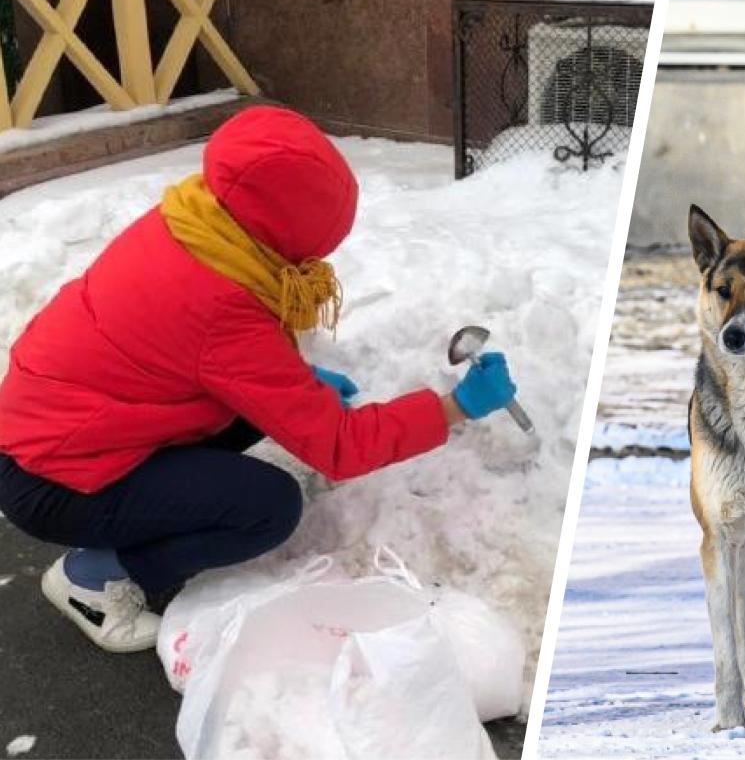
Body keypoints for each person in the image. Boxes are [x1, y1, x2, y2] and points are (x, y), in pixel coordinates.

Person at [0, 106, 516, 653]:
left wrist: (294, 378)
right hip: (56, 479)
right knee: (268, 508)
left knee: (258, 408)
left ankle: (120, 535)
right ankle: (98, 576)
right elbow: (339, 448)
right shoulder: (224, 308)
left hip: (59, 428)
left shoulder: (194, 220)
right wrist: (455, 407)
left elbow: (174, 346)